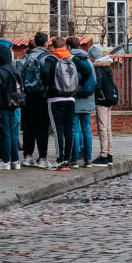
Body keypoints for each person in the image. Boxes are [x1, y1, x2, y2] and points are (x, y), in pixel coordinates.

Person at [42, 37, 78, 171]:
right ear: (65, 46)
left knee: (58, 130)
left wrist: (47, 86)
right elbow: (85, 71)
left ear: (53, 46)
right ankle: (68, 160)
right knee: (69, 130)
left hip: (55, 98)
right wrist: (77, 86)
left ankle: (60, 159)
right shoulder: (73, 58)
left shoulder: (51, 59)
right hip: (70, 98)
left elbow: (45, 72)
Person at [20, 31, 51, 167]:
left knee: (28, 127)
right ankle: (43, 158)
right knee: (42, 128)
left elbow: (19, 75)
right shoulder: (48, 57)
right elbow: (50, 78)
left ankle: (28, 156)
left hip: (27, 97)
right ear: (46, 44)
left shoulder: (25, 57)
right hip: (42, 97)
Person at [0, 41, 23, 169]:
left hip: (3, 105)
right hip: (14, 104)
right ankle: (15, 160)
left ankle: (5, 161)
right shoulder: (15, 69)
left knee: (5, 133)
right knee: (12, 132)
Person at [67, 36, 96, 167]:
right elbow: (94, 81)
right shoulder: (89, 61)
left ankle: (74, 159)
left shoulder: (71, 60)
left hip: (75, 99)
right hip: (88, 99)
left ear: (68, 47)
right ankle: (88, 159)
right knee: (87, 129)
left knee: (75, 129)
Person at [89, 44, 117, 164]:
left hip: (102, 101)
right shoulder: (107, 66)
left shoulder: (98, 68)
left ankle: (103, 155)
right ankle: (109, 153)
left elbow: (97, 85)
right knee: (108, 128)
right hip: (110, 99)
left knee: (102, 128)